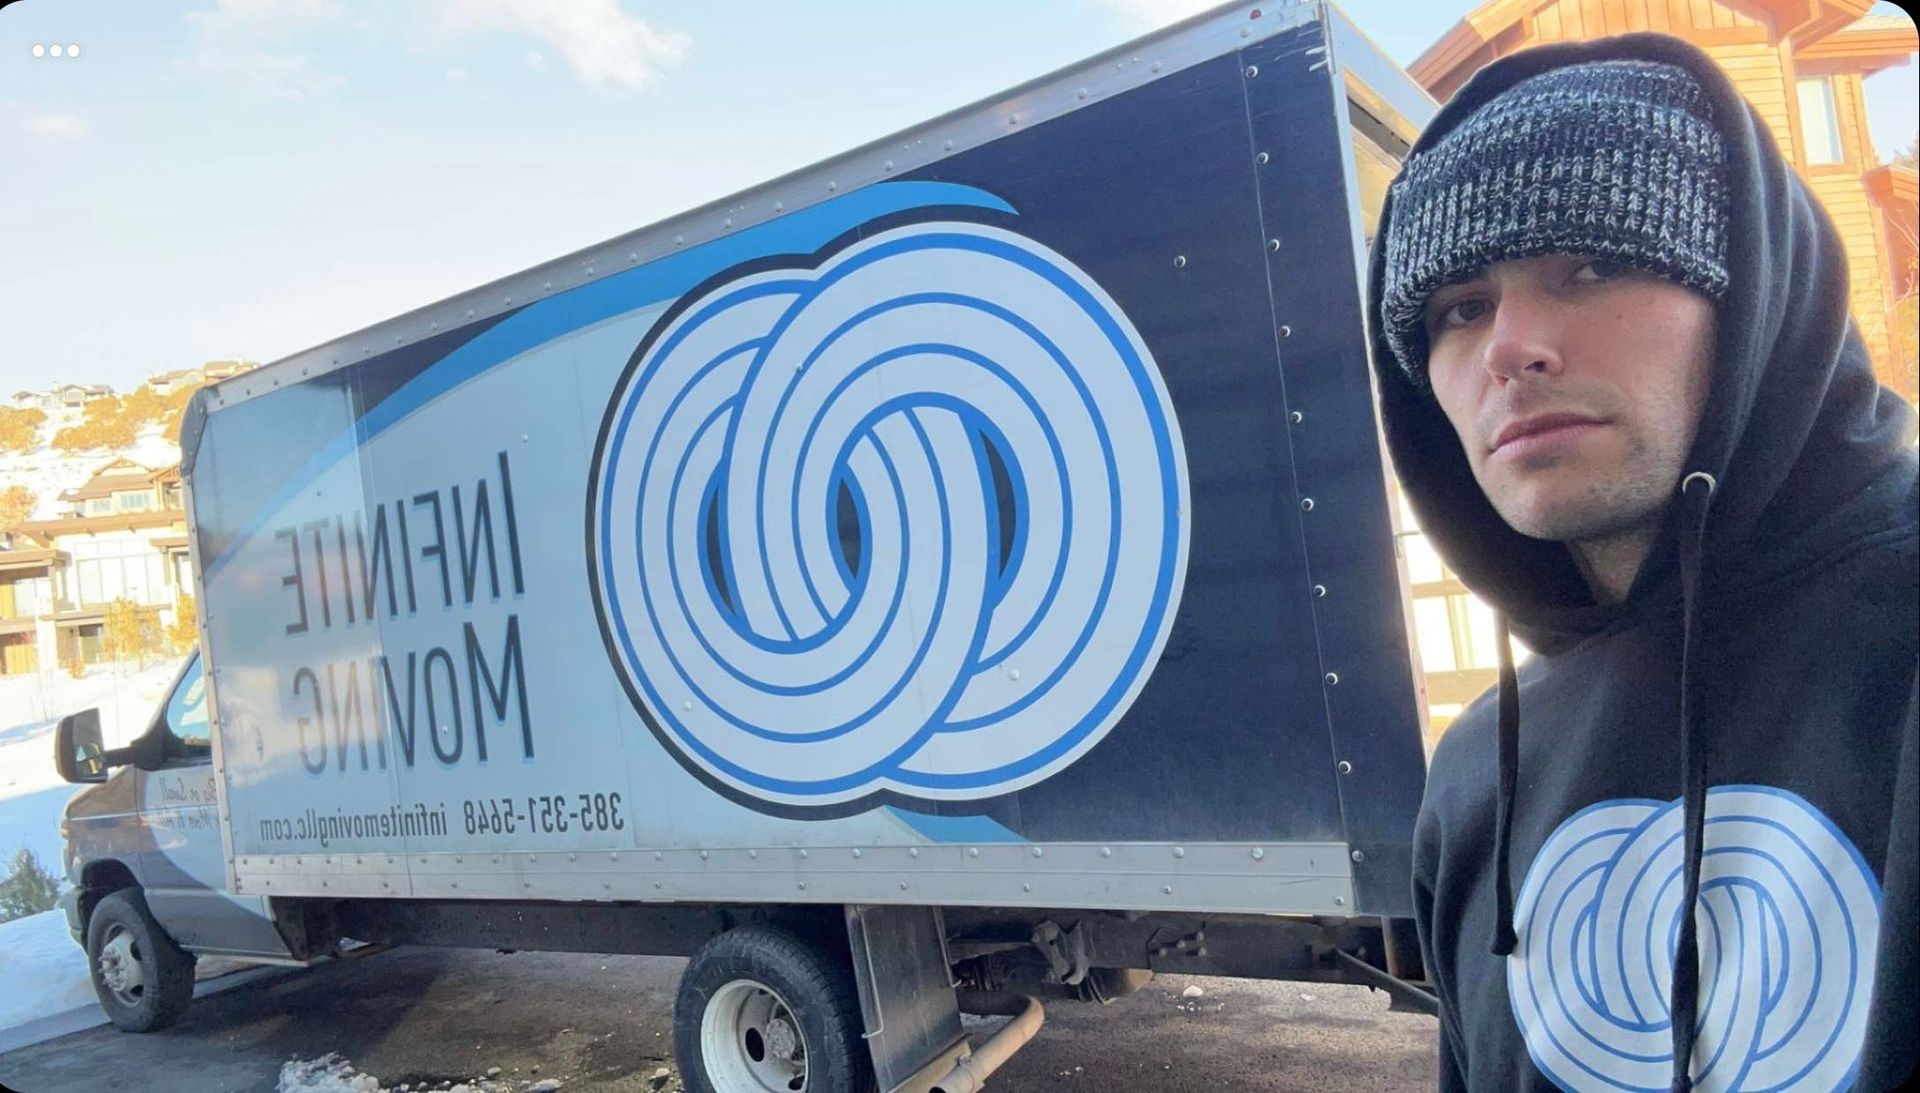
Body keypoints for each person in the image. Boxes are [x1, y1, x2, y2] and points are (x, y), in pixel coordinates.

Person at [1364, 32, 1917, 1093]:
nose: (1508, 347)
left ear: (1754, 294)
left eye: (1595, 264)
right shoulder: (1477, 775)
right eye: (1457, 309)